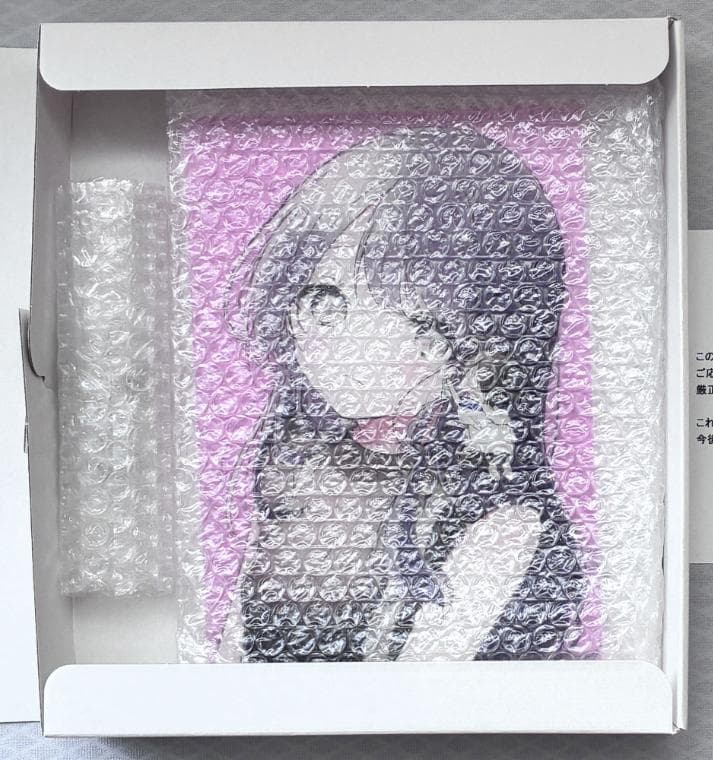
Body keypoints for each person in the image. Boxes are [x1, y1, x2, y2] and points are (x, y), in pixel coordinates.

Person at [219, 125, 586, 662]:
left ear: (485, 344)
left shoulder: (501, 524)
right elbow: (232, 659)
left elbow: (416, 694)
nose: (353, 350)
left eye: (421, 325)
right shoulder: (296, 466)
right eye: (324, 304)